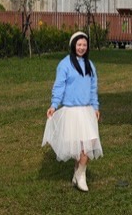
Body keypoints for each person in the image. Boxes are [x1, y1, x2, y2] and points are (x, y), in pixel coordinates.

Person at [42, 31, 101, 192]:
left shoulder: (90, 65)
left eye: (84, 44)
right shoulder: (65, 64)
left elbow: (93, 88)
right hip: (72, 111)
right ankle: (80, 176)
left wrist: (95, 107)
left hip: (87, 110)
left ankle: (79, 173)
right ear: (73, 45)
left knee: (90, 142)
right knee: (80, 146)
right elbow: (59, 86)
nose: (81, 47)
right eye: (79, 44)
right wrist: (54, 105)